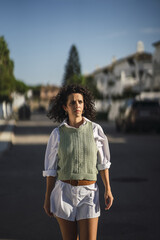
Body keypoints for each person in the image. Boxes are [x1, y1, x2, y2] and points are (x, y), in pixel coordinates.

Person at [43, 84, 113, 240]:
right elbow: (50, 170)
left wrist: (108, 188)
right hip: (63, 193)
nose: (77, 105)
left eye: (80, 102)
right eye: (73, 102)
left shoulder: (95, 130)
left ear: (85, 104)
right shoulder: (57, 134)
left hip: (89, 193)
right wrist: (47, 198)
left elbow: (103, 163)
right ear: (65, 107)